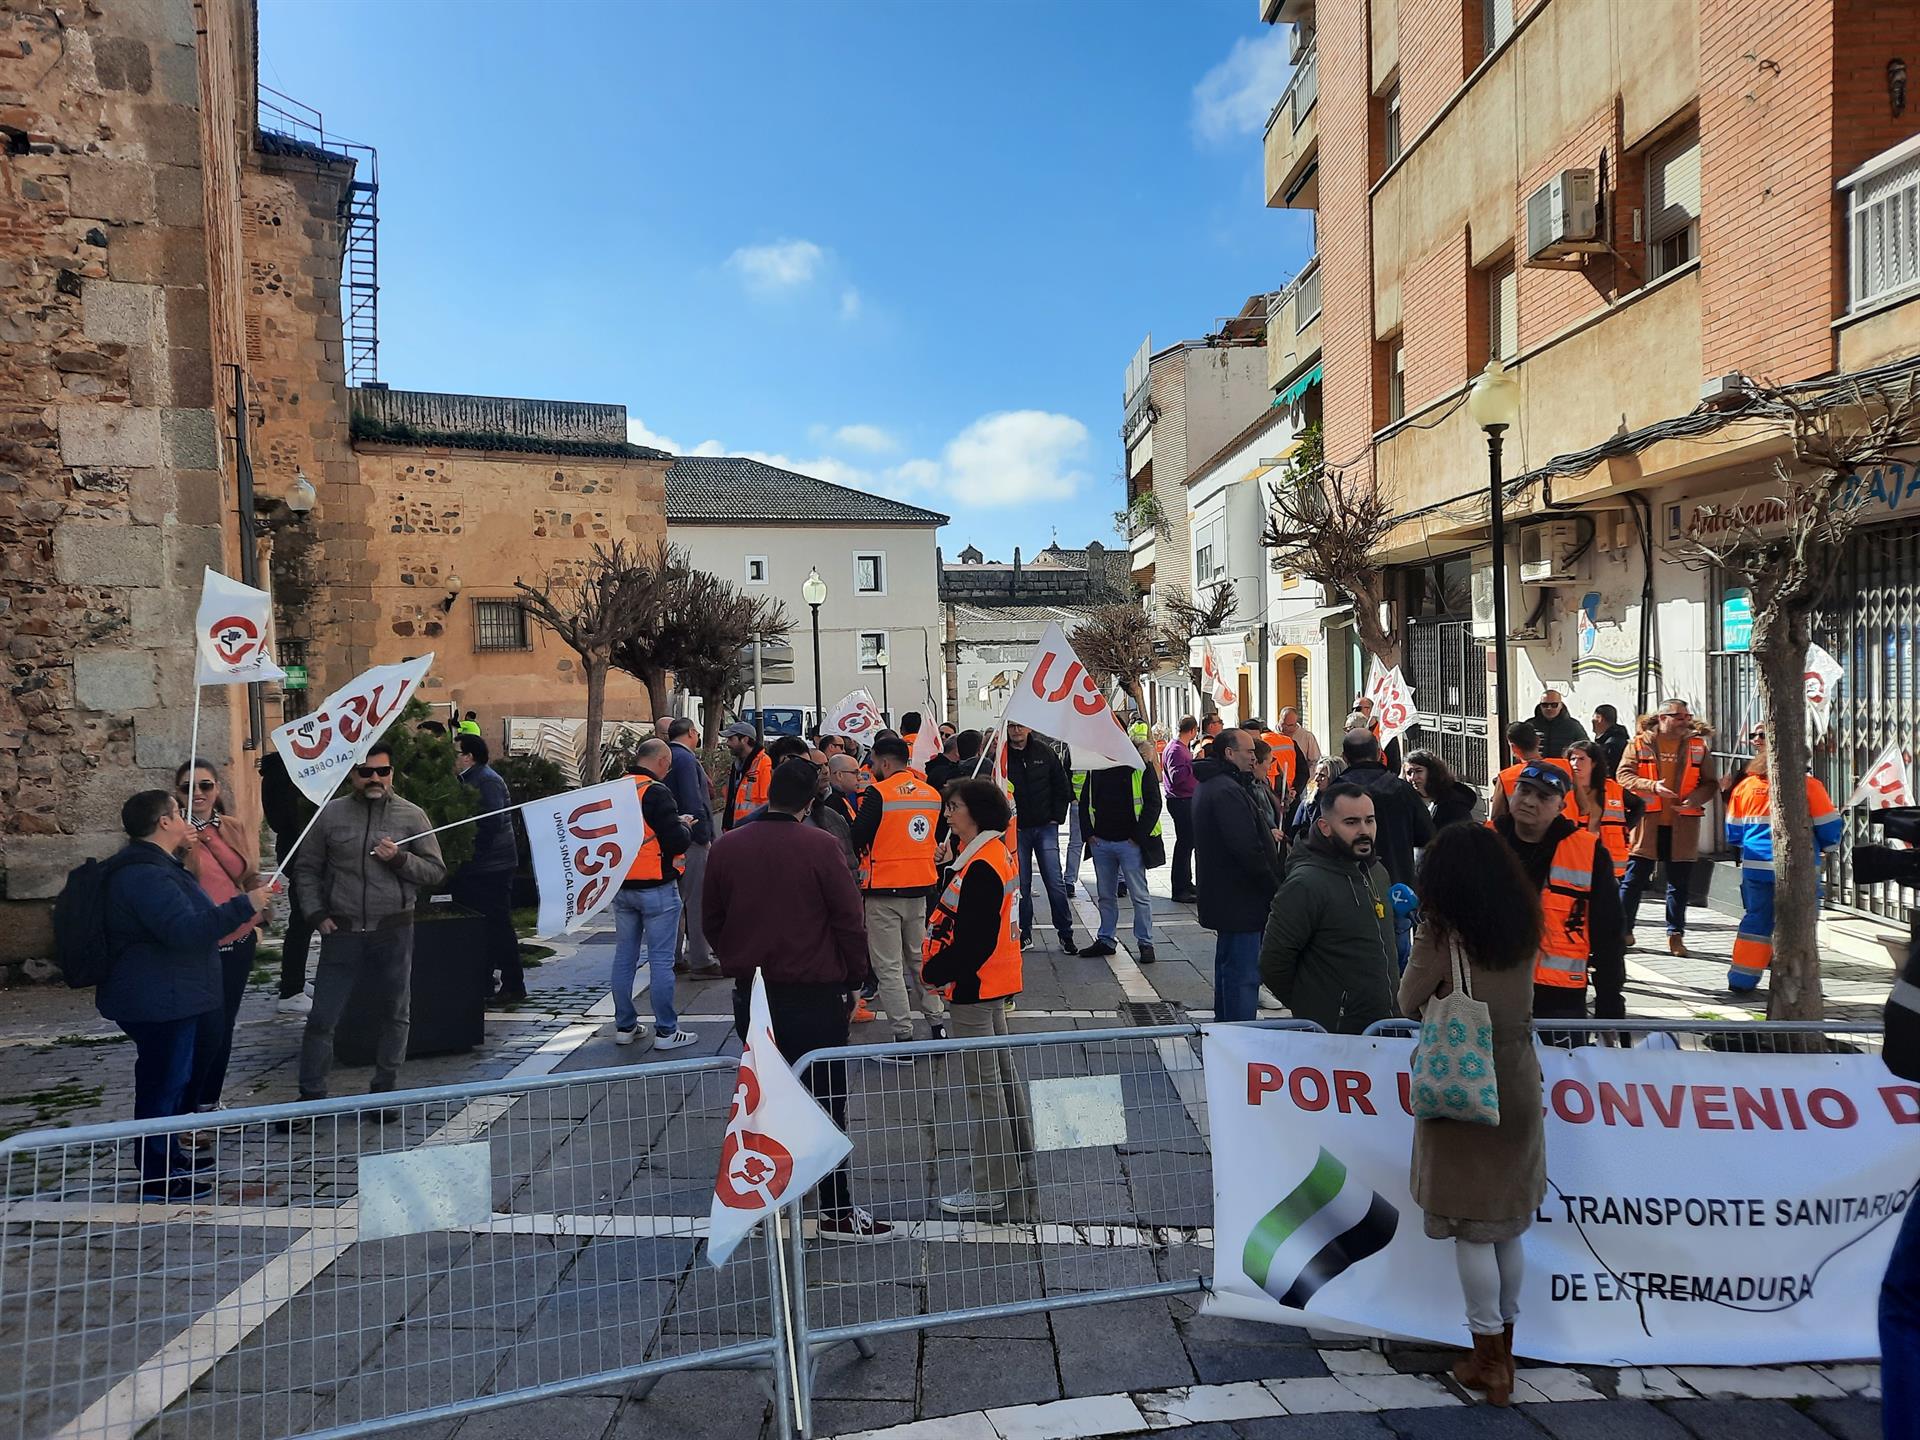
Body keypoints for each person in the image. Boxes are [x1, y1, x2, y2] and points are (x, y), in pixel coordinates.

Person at [704, 757, 894, 1240]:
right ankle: (836, 1209)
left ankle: (765, 1200)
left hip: (754, 993)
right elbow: (848, 918)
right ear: (810, 802)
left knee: (764, 1100)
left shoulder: (729, 846)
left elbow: (712, 919)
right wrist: (855, 977)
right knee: (827, 1099)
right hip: (814, 991)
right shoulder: (820, 846)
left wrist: (738, 958)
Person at [1400, 824, 1546, 1408]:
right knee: (1506, 1221)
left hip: (1463, 1080)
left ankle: (1487, 1358)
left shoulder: (1442, 933)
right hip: (1518, 1076)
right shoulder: (1523, 922)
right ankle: (1505, 1348)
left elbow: (1406, 999)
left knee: (1471, 1226)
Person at [99, 790, 273, 1198]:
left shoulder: (158, 864)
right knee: (162, 1085)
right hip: (160, 999)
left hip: (172, 993)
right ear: (163, 822)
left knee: (171, 1081)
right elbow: (185, 930)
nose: (184, 819)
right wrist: (244, 905)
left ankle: (170, 1158)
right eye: (177, 813)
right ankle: (158, 1176)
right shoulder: (146, 875)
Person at [291, 742, 447, 1102]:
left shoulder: (412, 815)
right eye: (366, 772)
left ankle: (384, 1090)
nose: (374, 778)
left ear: (392, 773)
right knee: (322, 1018)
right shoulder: (330, 815)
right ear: (353, 774)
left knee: (395, 1013)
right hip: (342, 931)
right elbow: (306, 869)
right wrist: (316, 914)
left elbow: (435, 871)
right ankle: (310, 1097)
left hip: (393, 929)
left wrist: (399, 859)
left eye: (382, 771)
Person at [921, 777, 1035, 1218]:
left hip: (975, 986)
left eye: (954, 807)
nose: (947, 815)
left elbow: (975, 940)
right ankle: (1016, 1160)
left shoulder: (982, 863)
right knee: (1000, 1078)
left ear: (977, 813)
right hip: (993, 983)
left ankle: (992, 1183)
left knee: (984, 1088)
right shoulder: (988, 854)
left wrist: (934, 972)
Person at [1492, 762, 1625, 1026]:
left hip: (1558, 997)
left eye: (1543, 796)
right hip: (1489, 986)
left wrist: (1609, 1003)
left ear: (1561, 807)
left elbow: (1609, 934)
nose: (1529, 801)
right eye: (1524, 791)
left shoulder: (1588, 852)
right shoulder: (1483, 841)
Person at [1260, 784, 1399, 1033]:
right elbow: (1274, 962)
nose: (1364, 830)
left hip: (1387, 1026)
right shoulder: (1306, 884)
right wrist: (1317, 1007)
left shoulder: (1376, 872)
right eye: (1351, 822)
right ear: (1325, 827)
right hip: (1335, 1033)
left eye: (1369, 820)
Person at [171, 759, 262, 1116]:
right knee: (202, 1028)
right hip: (202, 944)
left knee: (224, 1025)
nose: (198, 793)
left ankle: (210, 1100)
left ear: (217, 789)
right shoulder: (172, 834)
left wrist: (261, 904)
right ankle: (187, 1105)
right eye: (188, 787)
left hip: (239, 938)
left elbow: (247, 872)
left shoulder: (232, 826)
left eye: (205, 786)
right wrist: (181, 846)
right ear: (176, 793)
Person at [1723, 730, 1843, 995]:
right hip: (1797, 868)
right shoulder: (1809, 786)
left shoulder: (1745, 786)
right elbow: (1829, 829)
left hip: (1755, 866)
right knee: (1798, 926)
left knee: (1756, 921)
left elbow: (1733, 832)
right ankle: (1795, 985)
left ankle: (1741, 979)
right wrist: (1828, 846)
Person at [850, 735, 948, 1042]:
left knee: (889, 968)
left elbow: (857, 835)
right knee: (919, 960)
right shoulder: (931, 794)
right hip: (920, 887)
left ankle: (903, 1036)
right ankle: (937, 1025)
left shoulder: (879, 793)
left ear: (885, 762)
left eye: (874, 763)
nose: (872, 768)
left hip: (884, 889)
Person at [1192, 728, 1283, 1021]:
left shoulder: (1218, 785)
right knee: (1242, 976)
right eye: (1249, 752)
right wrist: (1272, 885)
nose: (1254, 757)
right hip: (1239, 898)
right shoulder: (1226, 790)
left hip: (1229, 897)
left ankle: (1227, 1029)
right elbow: (1246, 847)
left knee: (1230, 969)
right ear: (1230, 754)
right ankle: (1238, 1033)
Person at [610, 740, 695, 1049]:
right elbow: (676, 841)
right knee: (660, 960)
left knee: (625, 956)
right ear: (661, 761)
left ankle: (624, 1026)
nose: (667, 771)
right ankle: (666, 1032)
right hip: (656, 886)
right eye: (668, 766)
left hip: (622, 885)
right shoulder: (656, 792)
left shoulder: (615, 789)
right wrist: (685, 826)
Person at [1616, 699, 1718, 956]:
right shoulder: (1638, 743)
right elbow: (1623, 775)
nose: (1685, 721)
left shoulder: (1698, 745)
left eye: (1687, 716)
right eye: (1679, 716)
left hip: (1683, 825)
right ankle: (1622, 931)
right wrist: (1652, 786)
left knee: (1679, 885)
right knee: (1633, 881)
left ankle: (1675, 935)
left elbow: (1710, 783)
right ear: (1662, 718)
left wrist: (1694, 799)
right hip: (1647, 825)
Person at [453, 735, 523, 1002]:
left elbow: (490, 823)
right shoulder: (468, 779)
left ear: (469, 756)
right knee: (481, 927)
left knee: (498, 925)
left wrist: (471, 853)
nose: (452, 758)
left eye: (456, 753)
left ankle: (513, 984)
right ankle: (483, 981)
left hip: (493, 867)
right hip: (480, 866)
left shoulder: (486, 780)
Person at [1078, 754, 1162, 963]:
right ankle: (1106, 939)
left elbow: (1153, 803)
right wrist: (1089, 834)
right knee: (1105, 895)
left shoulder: (1140, 766)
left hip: (1129, 843)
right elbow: (1085, 801)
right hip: (1101, 841)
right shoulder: (1095, 767)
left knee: (1139, 895)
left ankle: (1145, 942)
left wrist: (1137, 837)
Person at [1004, 722, 1078, 954]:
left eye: (1020, 726)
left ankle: (1065, 933)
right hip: (1017, 829)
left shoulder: (1044, 753)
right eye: (1012, 726)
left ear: (1029, 728)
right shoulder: (1002, 757)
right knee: (1022, 883)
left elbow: (1061, 785)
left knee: (1054, 881)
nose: (1016, 730)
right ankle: (1024, 933)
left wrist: (1057, 817)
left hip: (1045, 826)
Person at [258, 751, 316, 1014]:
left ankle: (296, 982)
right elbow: (289, 817)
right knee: (303, 922)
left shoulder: (279, 771)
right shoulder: (284, 774)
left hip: (295, 850)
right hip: (300, 853)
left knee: (304, 922)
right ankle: (291, 990)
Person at [1338, 729, 1434, 887]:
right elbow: (1427, 836)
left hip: (1349, 887)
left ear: (1344, 757)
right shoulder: (1403, 790)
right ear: (1378, 754)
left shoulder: (1335, 793)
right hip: (1397, 885)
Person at [664, 717, 719, 978]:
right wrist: (703, 835)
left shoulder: (666, 757)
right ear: (691, 733)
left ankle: (674, 956)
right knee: (696, 901)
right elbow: (694, 800)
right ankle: (701, 959)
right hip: (692, 839)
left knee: (676, 900)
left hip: (671, 837)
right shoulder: (686, 759)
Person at [1489, 722, 1582, 825]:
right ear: (1538, 741)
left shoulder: (1505, 777)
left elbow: (1496, 821)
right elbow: (1584, 807)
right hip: (1568, 831)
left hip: (1529, 833)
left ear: (1513, 747)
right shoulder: (1566, 766)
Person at [1566, 740, 1629, 873]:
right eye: (1572, 759)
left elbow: (1638, 806)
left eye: (1581, 759)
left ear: (1594, 763)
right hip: (1576, 855)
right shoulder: (1564, 788)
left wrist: (1624, 829)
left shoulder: (1611, 788)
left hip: (1608, 859)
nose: (1575, 763)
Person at [1164, 716, 1200, 903]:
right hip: (1181, 801)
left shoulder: (1180, 748)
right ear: (1193, 730)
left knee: (1188, 843)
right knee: (1185, 845)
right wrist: (1194, 763)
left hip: (1186, 799)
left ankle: (1186, 882)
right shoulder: (1176, 750)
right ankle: (1180, 888)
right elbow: (1177, 777)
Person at [1404, 749, 1479, 830]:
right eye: (1409, 773)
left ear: (1432, 772)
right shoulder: (1408, 800)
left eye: (1418, 771)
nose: (1413, 777)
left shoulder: (1454, 805)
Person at [721, 721, 772, 831]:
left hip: (753, 829)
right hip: (737, 828)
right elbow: (731, 798)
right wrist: (727, 825)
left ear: (744, 739)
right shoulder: (737, 764)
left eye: (731, 739)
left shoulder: (764, 763)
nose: (727, 743)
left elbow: (766, 802)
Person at [1287, 755, 1346, 843]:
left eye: (1322, 775)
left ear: (1334, 778)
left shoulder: (1347, 804)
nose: (1316, 779)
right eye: (1316, 774)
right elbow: (1295, 834)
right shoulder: (1307, 803)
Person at [1529, 689, 1588, 758]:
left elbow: (1586, 749)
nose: (1549, 708)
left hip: (1563, 764)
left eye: (1554, 705)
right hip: (1536, 764)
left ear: (1561, 705)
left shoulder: (1573, 726)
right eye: (1545, 705)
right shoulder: (1530, 726)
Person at [1590, 703, 1631, 779]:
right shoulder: (1617, 738)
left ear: (1599, 718)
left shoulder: (1611, 745)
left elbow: (1608, 770)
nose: (1592, 721)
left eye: (1594, 717)